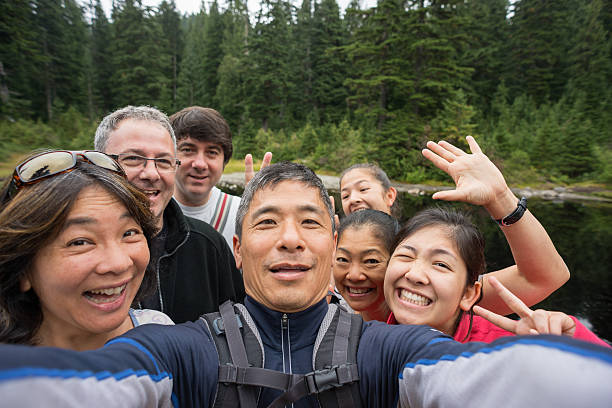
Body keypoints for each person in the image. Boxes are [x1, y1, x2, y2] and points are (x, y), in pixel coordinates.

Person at [0, 162, 611, 408]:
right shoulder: (175, 349)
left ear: (331, 247)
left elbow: (489, 382)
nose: (290, 238)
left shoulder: (389, 348)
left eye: (310, 223)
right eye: (266, 222)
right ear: (238, 252)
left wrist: (570, 348)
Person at [338, 137, 570, 316]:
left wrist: (501, 199)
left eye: (371, 261)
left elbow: (543, 278)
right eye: (345, 194)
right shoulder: (333, 277)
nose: (356, 274)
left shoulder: (432, 286)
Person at [0, 150, 173, 351]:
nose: (119, 264)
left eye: (129, 233)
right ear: (22, 267)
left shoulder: (162, 338)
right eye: (80, 242)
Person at [94, 106, 245, 323]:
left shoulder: (208, 246)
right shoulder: (71, 248)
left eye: (163, 161)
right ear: (99, 164)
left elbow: (237, 329)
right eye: (134, 159)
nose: (151, 173)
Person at [384, 206, 609, 347]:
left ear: (469, 294)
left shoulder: (505, 349)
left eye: (441, 264)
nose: (415, 275)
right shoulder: (367, 336)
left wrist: (575, 346)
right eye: (405, 256)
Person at [169, 106, 272, 251]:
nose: (200, 164)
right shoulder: (150, 212)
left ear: (224, 162)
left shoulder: (242, 212)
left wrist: (266, 216)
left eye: (211, 152)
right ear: (168, 156)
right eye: (188, 150)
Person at [333, 209, 398, 321]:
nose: (354, 276)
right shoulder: (331, 318)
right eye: (343, 259)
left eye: (371, 261)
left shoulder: (418, 327)